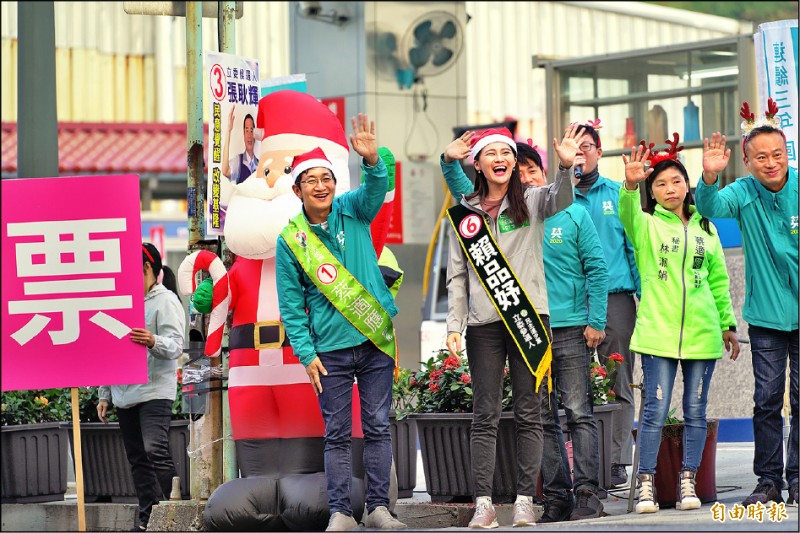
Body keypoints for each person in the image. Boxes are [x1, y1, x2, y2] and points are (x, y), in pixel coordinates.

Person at [441, 125, 583, 528]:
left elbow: (562, 197)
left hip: (527, 319)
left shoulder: (534, 201)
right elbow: (457, 275)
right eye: (492, 153)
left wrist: (566, 167)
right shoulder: (465, 212)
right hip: (484, 323)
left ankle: (524, 500)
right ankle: (483, 503)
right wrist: (455, 323)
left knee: (529, 412)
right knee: (484, 413)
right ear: (479, 165)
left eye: (507, 152)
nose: (501, 159)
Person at [275, 114, 407, 531]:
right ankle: (340, 513)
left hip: (373, 341)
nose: (321, 186)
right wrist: (305, 353)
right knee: (335, 434)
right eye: (310, 180)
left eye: (327, 178)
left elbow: (376, 191)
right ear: (297, 189)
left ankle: (378, 508)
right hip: (328, 349)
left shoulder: (352, 210)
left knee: (377, 426)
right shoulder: (290, 240)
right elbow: (291, 304)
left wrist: (371, 162)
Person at [619, 137, 739, 513]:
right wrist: (629, 186)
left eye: (676, 181)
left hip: (703, 335)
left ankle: (689, 481)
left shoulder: (707, 227)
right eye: (660, 184)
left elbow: (718, 281)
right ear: (651, 193)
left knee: (696, 411)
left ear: (687, 185)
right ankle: (646, 486)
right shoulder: (646, 225)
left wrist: (727, 324)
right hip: (658, 335)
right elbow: (627, 213)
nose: (670, 189)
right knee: (654, 412)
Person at [695, 99, 798, 507]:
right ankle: (769, 482)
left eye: (777, 155)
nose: (770, 163)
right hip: (767, 317)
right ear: (747, 160)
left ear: (787, 152)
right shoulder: (742, 190)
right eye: (761, 157)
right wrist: (708, 177)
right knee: (767, 401)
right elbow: (710, 208)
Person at [517, 142, 609, 521]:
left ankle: (588, 493)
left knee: (577, 410)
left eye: (531, 172)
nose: (525, 181)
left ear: (545, 175)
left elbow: (598, 269)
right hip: (529, 329)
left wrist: (596, 321)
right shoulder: (513, 221)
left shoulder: (573, 214)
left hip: (571, 326)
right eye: (517, 175)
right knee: (540, 416)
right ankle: (557, 496)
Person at [571, 120, 641, 489]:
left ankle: (615, 462)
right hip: (570, 301)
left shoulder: (618, 194)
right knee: (573, 382)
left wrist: (643, 296)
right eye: (574, 146)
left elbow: (634, 249)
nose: (581, 152)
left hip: (615, 299)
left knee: (618, 378)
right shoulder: (558, 198)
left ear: (599, 151)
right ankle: (581, 464)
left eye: (587, 146)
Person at [98, 243, 186, 532]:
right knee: (137, 459)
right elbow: (109, 350)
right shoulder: (120, 302)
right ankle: (148, 519)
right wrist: (104, 393)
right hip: (124, 392)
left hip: (155, 390)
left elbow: (176, 346)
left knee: (154, 448)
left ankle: (177, 515)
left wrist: (152, 341)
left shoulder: (166, 301)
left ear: (147, 269)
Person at [222, 106, 258, 184]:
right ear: (243, 134)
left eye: (251, 131)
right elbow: (225, 171)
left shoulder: (260, 165)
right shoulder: (238, 162)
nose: (249, 135)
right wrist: (229, 130)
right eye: (247, 130)